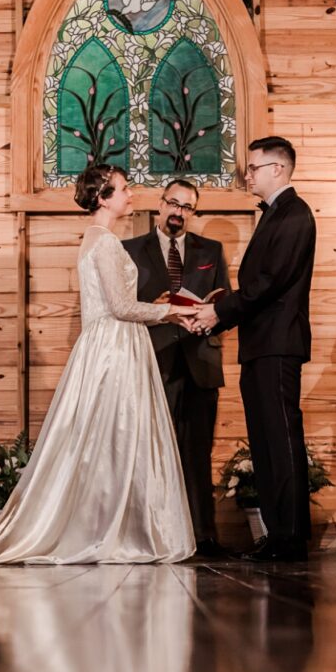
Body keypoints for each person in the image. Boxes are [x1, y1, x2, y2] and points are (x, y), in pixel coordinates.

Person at [0, 164, 198, 565]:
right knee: (113, 438)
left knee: (108, 440)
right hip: (114, 347)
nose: (132, 195)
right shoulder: (105, 243)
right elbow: (121, 307)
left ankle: (107, 527)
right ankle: (109, 531)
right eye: (124, 189)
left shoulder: (96, 239)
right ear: (103, 198)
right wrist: (170, 311)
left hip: (111, 345)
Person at [193, 137, 316, 563]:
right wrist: (226, 300)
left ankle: (290, 538)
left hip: (278, 345)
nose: (248, 174)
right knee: (265, 442)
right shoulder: (276, 215)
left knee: (280, 439)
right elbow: (263, 283)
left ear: (278, 169)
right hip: (261, 345)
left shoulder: (295, 214)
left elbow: (271, 283)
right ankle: (278, 532)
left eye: (254, 167)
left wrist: (220, 313)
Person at [123, 179, 230, 556]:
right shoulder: (130, 251)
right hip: (155, 360)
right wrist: (156, 309)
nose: (178, 212)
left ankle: (203, 537)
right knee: (152, 452)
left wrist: (210, 315)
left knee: (198, 453)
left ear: (193, 212)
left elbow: (226, 305)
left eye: (186, 207)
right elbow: (122, 308)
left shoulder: (211, 250)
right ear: (160, 203)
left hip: (200, 360)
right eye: (173, 203)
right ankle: (154, 536)